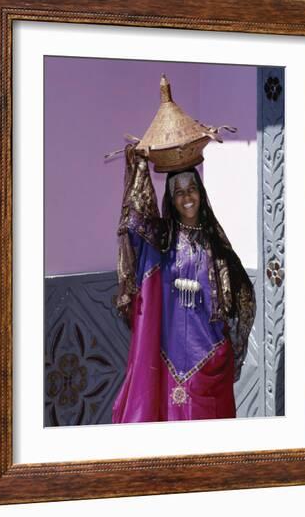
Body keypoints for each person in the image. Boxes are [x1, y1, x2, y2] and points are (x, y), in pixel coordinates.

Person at [112, 144, 256, 423]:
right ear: (171, 198)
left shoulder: (215, 243)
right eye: (178, 192)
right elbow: (135, 221)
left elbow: (240, 294)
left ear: (201, 193)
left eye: (192, 189)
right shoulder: (162, 240)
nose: (187, 197)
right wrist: (139, 165)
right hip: (170, 358)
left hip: (211, 356)